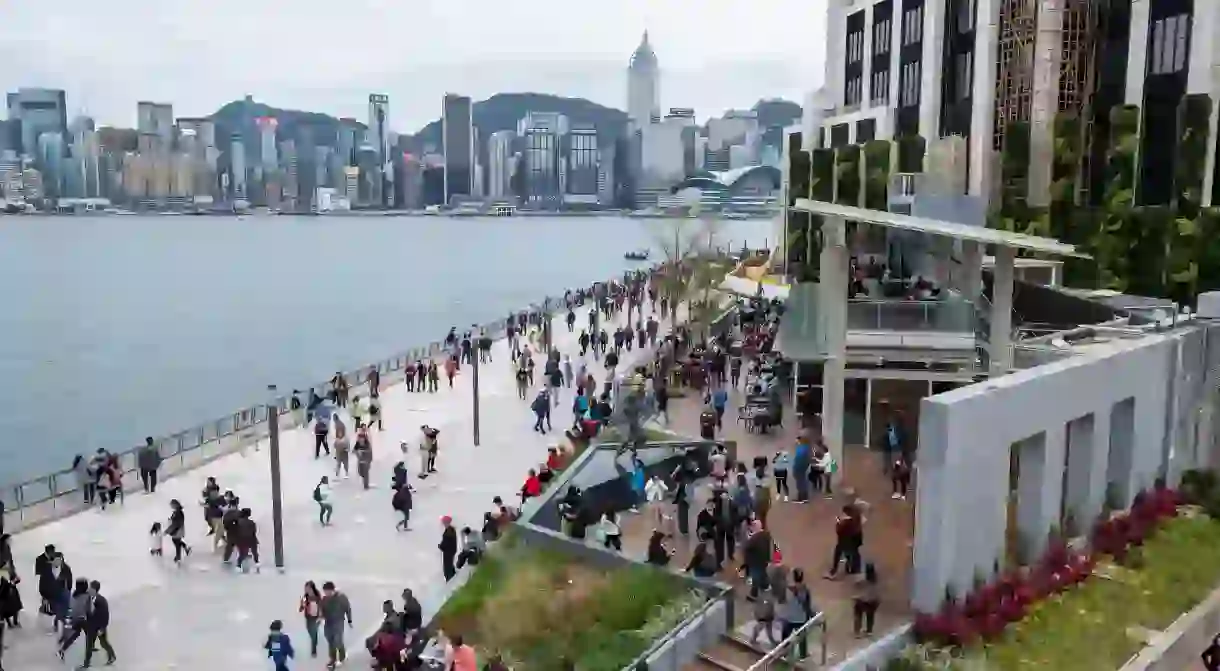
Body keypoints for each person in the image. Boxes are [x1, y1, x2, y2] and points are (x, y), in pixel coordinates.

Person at [80, 580, 117, 668]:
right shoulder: (89, 598)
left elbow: (105, 616)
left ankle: (112, 656)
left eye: (90, 588)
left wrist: (102, 628)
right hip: (91, 626)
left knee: (104, 643)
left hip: (99, 626)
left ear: (95, 590)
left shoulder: (102, 601)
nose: (88, 589)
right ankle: (86, 664)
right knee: (89, 645)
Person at [781, 568, 815, 659]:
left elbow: (784, 600)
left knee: (785, 636)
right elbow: (807, 605)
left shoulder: (788, 589)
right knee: (802, 636)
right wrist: (811, 615)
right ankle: (803, 655)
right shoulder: (805, 590)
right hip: (800, 617)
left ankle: (785, 653)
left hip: (789, 616)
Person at [320, 581, 353, 670]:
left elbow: (348, 608)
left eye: (327, 591)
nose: (326, 594)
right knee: (330, 640)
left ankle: (342, 656)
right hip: (328, 623)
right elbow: (322, 610)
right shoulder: (324, 599)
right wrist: (321, 617)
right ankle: (333, 658)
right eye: (325, 592)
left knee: (337, 640)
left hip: (338, 622)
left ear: (332, 590)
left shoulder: (341, 598)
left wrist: (349, 620)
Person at [852, 563, 881, 637]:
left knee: (857, 610)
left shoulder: (863, 580)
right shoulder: (876, 580)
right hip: (874, 602)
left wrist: (856, 598)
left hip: (865, 602)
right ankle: (869, 630)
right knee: (870, 614)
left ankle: (857, 631)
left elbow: (856, 585)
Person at [299, 581, 322, 657]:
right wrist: (302, 606)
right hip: (309, 617)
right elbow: (301, 608)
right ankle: (314, 639)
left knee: (314, 632)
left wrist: (321, 615)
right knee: (310, 631)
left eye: (307, 588)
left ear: (312, 588)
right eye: (305, 588)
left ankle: (313, 650)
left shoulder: (317, 596)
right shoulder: (305, 597)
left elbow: (321, 605)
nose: (306, 590)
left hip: (316, 617)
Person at [439, 516, 459, 581]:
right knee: (450, 565)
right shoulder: (451, 529)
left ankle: (450, 580)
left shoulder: (448, 532)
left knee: (447, 567)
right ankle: (453, 576)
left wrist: (441, 546)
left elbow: (446, 542)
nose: (443, 523)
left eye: (443, 522)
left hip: (448, 551)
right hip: (451, 550)